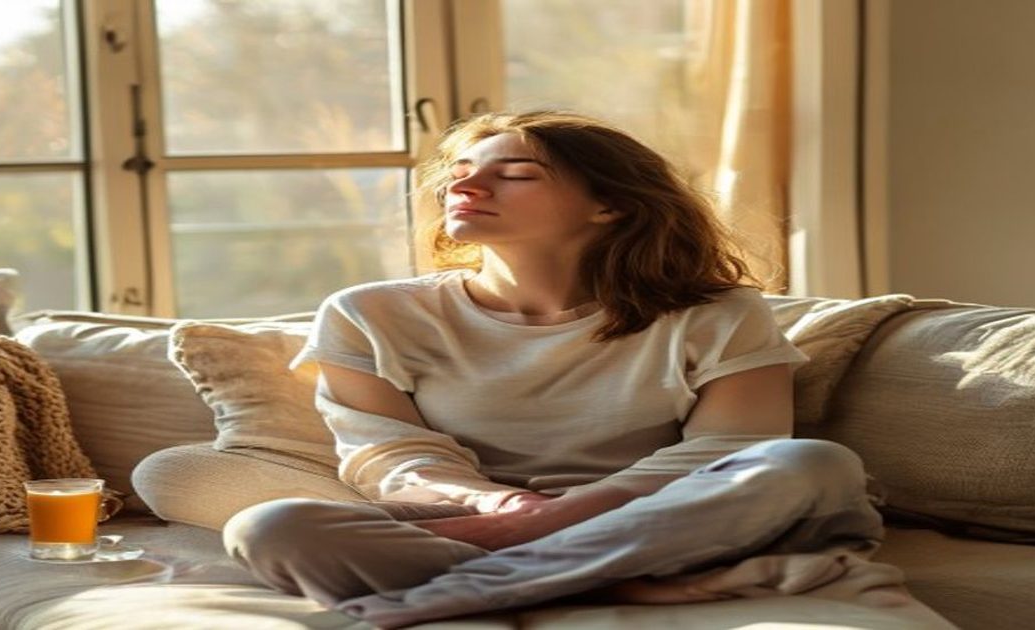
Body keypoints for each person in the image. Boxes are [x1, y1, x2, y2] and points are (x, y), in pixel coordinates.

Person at [222, 111, 889, 625]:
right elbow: (393, 459)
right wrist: (496, 502)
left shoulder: (715, 314)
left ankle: (474, 591)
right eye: (460, 168)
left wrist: (537, 523)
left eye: (514, 173)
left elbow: (726, 452)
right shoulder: (368, 314)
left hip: (670, 518)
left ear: (610, 205)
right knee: (270, 528)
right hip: (495, 520)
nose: (465, 183)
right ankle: (613, 583)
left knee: (812, 467)